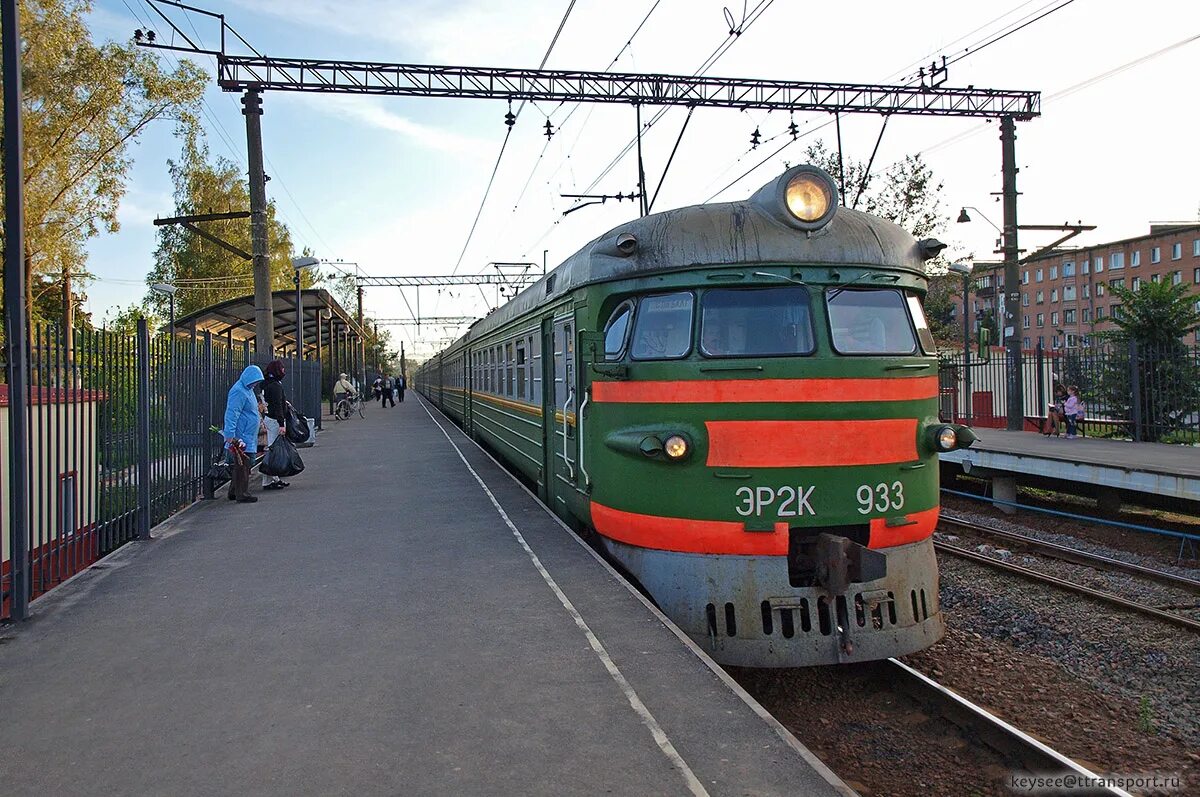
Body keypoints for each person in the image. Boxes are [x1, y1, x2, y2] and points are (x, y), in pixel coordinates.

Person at [221, 364, 265, 503]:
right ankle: (242, 493)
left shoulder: (246, 389)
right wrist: (230, 434)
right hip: (242, 434)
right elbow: (232, 413)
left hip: (246, 434)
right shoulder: (240, 391)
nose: (256, 383)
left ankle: (235, 491)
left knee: (243, 463)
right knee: (243, 464)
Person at [261, 360, 290, 491]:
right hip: (274, 421)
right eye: (282, 369)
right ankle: (268, 480)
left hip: (268, 418)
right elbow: (278, 406)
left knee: (273, 449)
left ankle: (274, 478)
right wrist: (281, 424)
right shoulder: (276, 386)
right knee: (273, 450)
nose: (284, 371)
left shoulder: (265, 384)